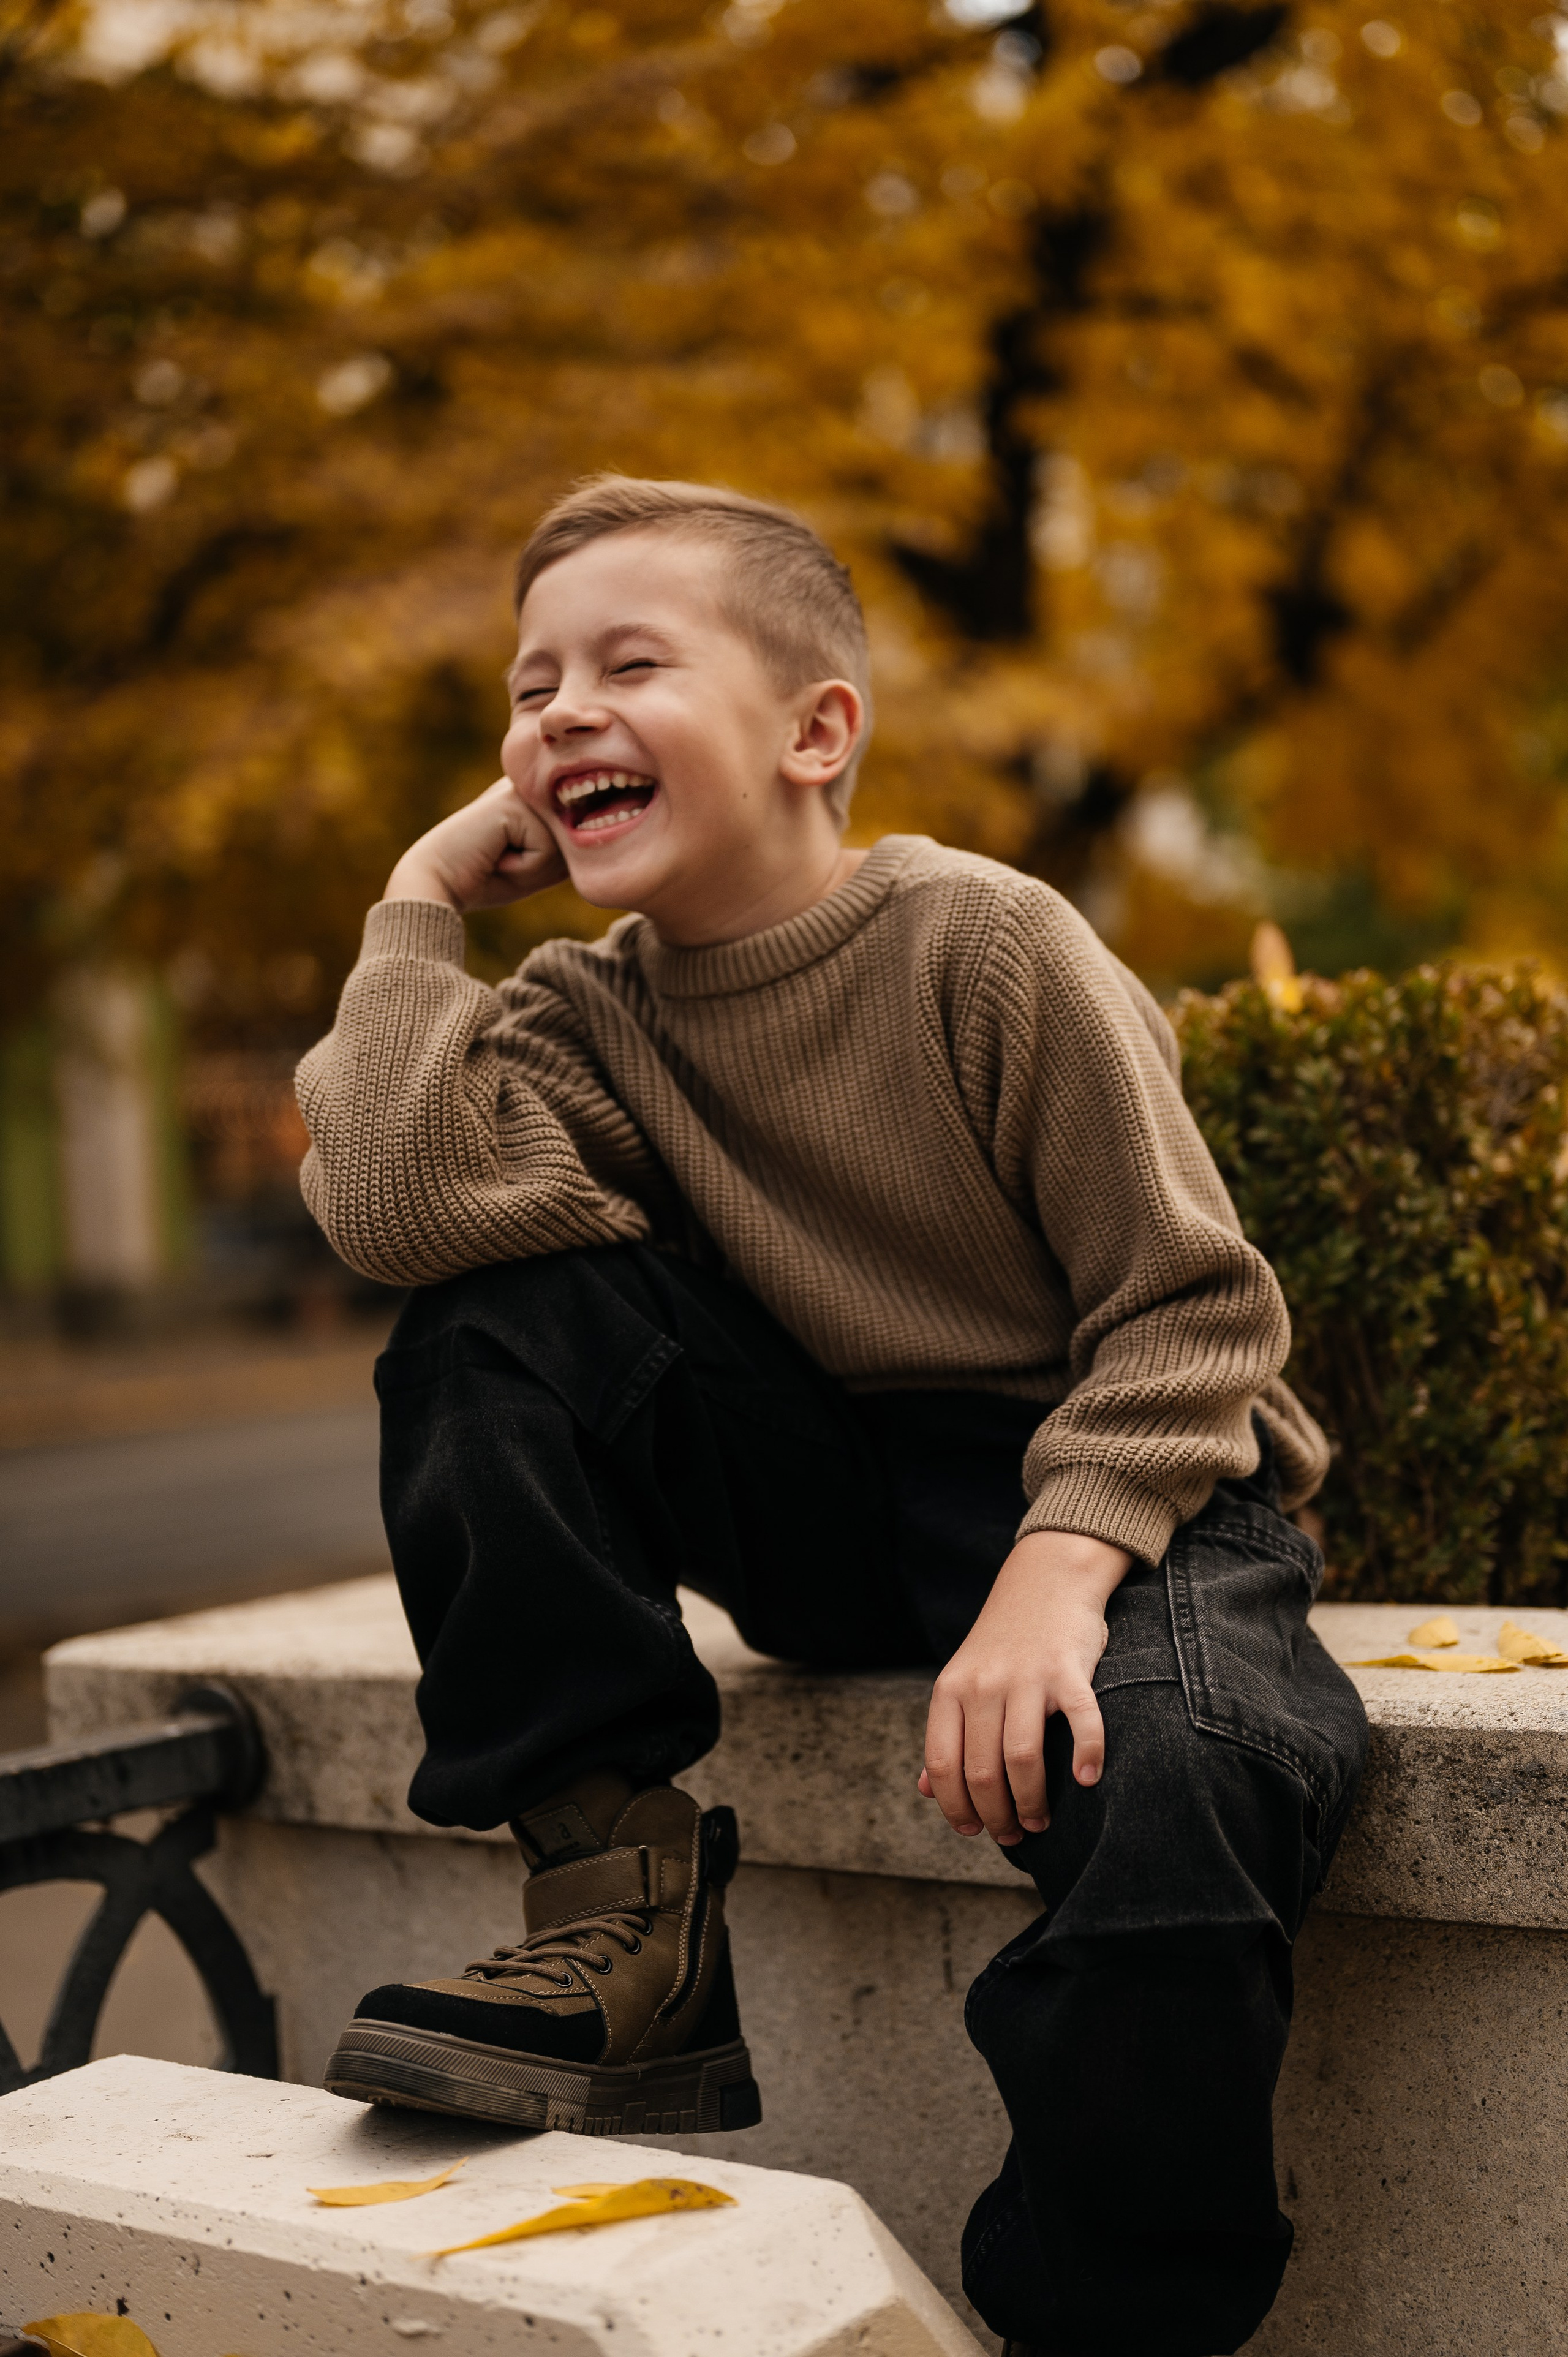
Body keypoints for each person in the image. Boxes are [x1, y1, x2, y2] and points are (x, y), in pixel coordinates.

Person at [295, 475, 1368, 2357]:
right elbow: (398, 1213)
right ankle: (622, 1907)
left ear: (817, 731)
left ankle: (1106, 2315)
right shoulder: (579, 1020)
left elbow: (1201, 1312)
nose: (558, 715)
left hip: (1121, 1481)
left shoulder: (983, 943)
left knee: (1194, 1777)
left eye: (630, 663)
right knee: (491, 1311)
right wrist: (419, 900)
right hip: (833, 1499)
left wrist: (1053, 1580)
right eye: (531, 686)